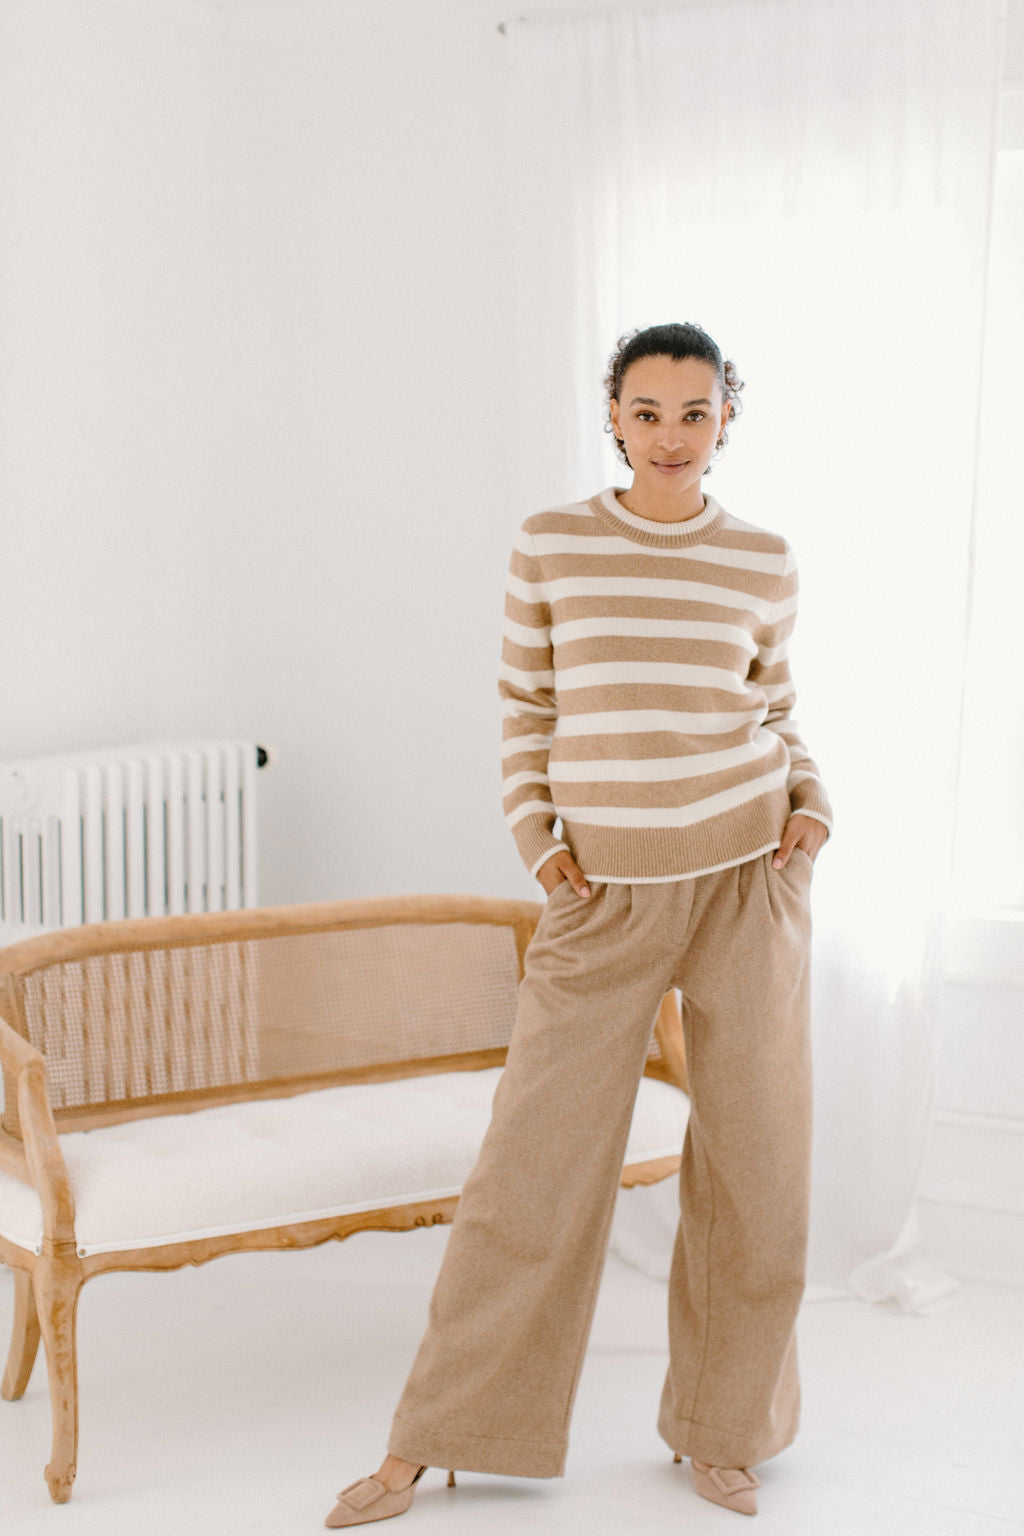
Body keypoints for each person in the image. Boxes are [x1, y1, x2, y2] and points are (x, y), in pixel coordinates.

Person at [324, 321, 832, 1526]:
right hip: (600, 894)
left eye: (693, 412)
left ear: (725, 421)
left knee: (759, 1167)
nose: (668, 434)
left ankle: (724, 1432)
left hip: (748, 876)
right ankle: (432, 1440)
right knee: (531, 1172)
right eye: (646, 411)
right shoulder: (554, 545)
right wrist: (539, 848)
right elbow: (523, 705)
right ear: (611, 415)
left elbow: (776, 708)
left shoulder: (760, 559)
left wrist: (810, 806)